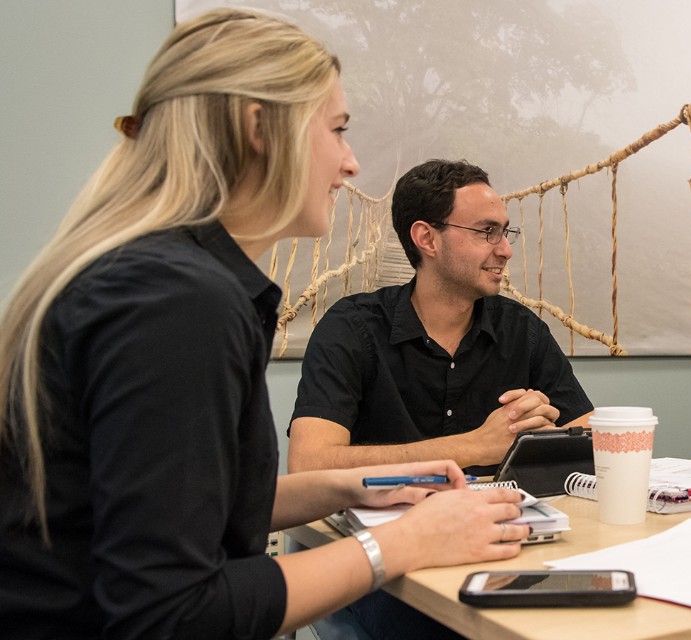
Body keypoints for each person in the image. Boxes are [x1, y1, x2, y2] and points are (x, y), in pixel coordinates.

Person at [0, 10, 529, 639]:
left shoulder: (149, 275)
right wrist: (409, 543)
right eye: (337, 130)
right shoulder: (179, 303)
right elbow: (170, 615)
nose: (352, 162)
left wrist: (352, 486)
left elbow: (172, 509)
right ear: (259, 129)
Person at [287, 158, 593, 477]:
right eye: (487, 231)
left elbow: (592, 440)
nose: (505, 250)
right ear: (427, 239)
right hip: (385, 525)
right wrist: (475, 446)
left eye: (505, 232)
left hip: (497, 521)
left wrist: (548, 437)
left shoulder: (523, 329)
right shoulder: (351, 327)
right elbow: (308, 463)